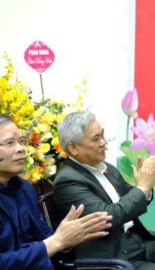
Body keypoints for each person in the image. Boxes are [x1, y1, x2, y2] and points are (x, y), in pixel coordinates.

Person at [53, 111, 155, 270]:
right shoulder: (68, 181)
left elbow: (134, 197)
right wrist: (142, 187)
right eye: (96, 139)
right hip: (112, 257)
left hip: (136, 242)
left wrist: (147, 181)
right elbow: (107, 218)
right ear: (74, 147)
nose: (103, 142)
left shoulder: (106, 168)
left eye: (103, 135)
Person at [0, 115, 112, 270]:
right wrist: (57, 241)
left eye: (22, 141)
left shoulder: (24, 189)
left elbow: (46, 237)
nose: (21, 149)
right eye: (9, 143)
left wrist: (67, 240)